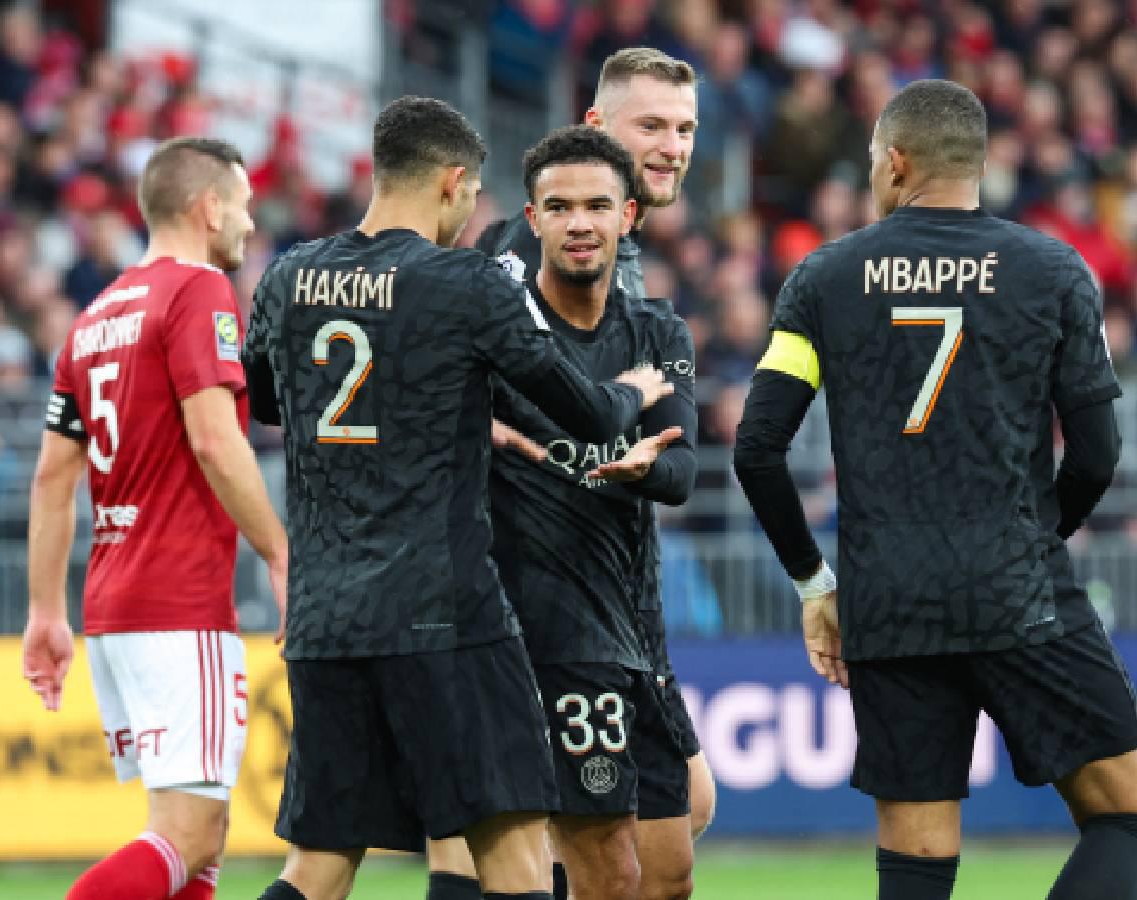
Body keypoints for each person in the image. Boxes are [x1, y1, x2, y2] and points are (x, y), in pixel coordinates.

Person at [244, 96, 671, 900]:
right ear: (453, 182)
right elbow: (576, 407)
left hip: (325, 620)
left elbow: (268, 402)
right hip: (446, 614)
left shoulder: (290, 275)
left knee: (320, 864)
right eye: (472, 198)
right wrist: (634, 391)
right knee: (509, 853)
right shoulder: (465, 283)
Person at [732, 78, 1137, 900]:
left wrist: (816, 586)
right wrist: (1036, 535)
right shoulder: (1052, 270)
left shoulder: (825, 279)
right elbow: (1097, 452)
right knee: (1125, 815)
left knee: (916, 862)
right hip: (1016, 588)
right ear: (978, 166)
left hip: (888, 604)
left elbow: (757, 451)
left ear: (895, 161)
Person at [428, 46, 712, 900]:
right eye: (650, 125)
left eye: (685, 128)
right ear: (593, 129)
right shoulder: (518, 266)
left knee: (674, 822)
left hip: (618, 601)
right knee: (519, 845)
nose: (671, 146)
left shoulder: (640, 301)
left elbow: (677, 456)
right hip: (531, 606)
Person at [22, 137, 289, 900]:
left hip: (113, 607)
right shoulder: (199, 290)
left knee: (197, 848)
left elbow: (51, 478)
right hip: (177, 601)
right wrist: (279, 550)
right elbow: (214, 437)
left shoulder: (95, 316)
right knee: (188, 835)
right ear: (208, 207)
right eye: (240, 204)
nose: (246, 221)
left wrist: (46, 611)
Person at [498, 125, 697, 900]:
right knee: (608, 875)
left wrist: (640, 470)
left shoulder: (656, 330)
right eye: (560, 206)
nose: (579, 222)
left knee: (668, 877)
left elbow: (680, 471)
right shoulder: (504, 333)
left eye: (596, 205)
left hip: (637, 635)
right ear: (534, 218)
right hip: (549, 631)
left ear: (627, 218)